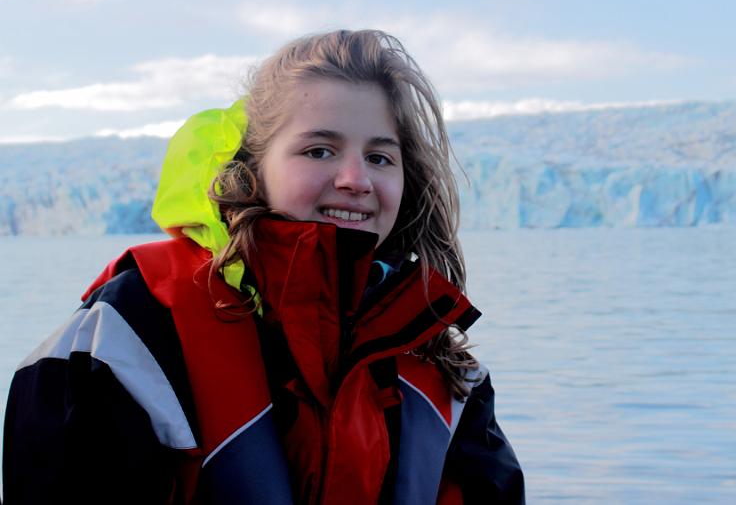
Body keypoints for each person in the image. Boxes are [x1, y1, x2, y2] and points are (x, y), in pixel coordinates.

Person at [2, 30, 524, 504]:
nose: (355, 178)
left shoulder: (439, 363)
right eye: (319, 150)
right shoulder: (128, 339)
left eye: (380, 157)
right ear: (250, 171)